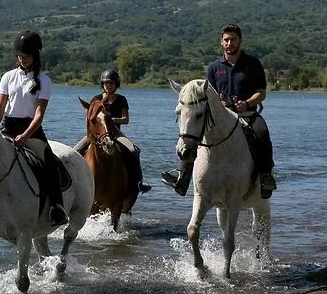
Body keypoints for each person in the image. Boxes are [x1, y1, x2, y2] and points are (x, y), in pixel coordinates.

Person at [162, 24, 276, 198]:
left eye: (233, 39)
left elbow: (261, 92)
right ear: (221, 42)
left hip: (247, 113)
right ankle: (182, 176)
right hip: (220, 116)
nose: (230, 43)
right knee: (192, 135)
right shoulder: (214, 67)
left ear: (240, 41)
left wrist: (246, 103)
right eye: (226, 40)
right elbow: (209, 94)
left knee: (262, 133)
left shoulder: (253, 64)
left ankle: (266, 176)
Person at [0, 30, 69, 226]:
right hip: (8, 125)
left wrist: (26, 136)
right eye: (19, 56)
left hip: (31, 128)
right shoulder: (8, 77)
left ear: (35, 55)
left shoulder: (44, 81)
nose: (22, 59)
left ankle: (56, 208)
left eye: (25, 56)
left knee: (49, 162)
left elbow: (39, 115)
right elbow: (0, 107)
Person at [73, 68, 151, 193]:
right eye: (106, 83)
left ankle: (139, 182)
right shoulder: (96, 99)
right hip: (98, 133)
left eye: (111, 83)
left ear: (116, 85)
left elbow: (126, 119)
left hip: (115, 133)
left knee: (133, 150)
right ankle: (73, 181)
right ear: (102, 85)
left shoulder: (121, 99)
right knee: (75, 151)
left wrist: (110, 120)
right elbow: (88, 118)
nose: (109, 86)